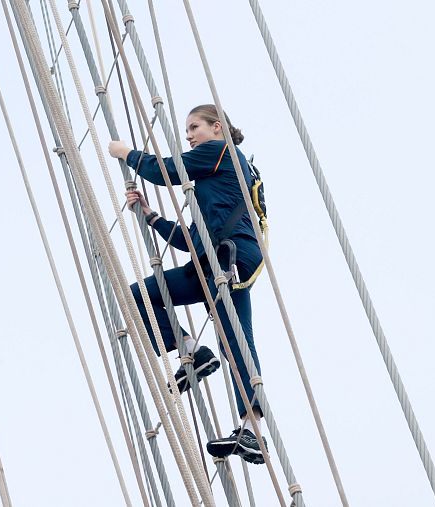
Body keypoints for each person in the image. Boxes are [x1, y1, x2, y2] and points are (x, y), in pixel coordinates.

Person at [107, 104, 267, 464]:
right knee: (139, 296)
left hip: (231, 258)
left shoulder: (221, 152)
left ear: (217, 127)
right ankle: (193, 353)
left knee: (235, 339)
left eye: (195, 127)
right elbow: (191, 241)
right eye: (188, 130)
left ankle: (253, 430)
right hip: (210, 260)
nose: (189, 135)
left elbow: (166, 170)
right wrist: (150, 216)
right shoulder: (211, 186)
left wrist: (125, 153)